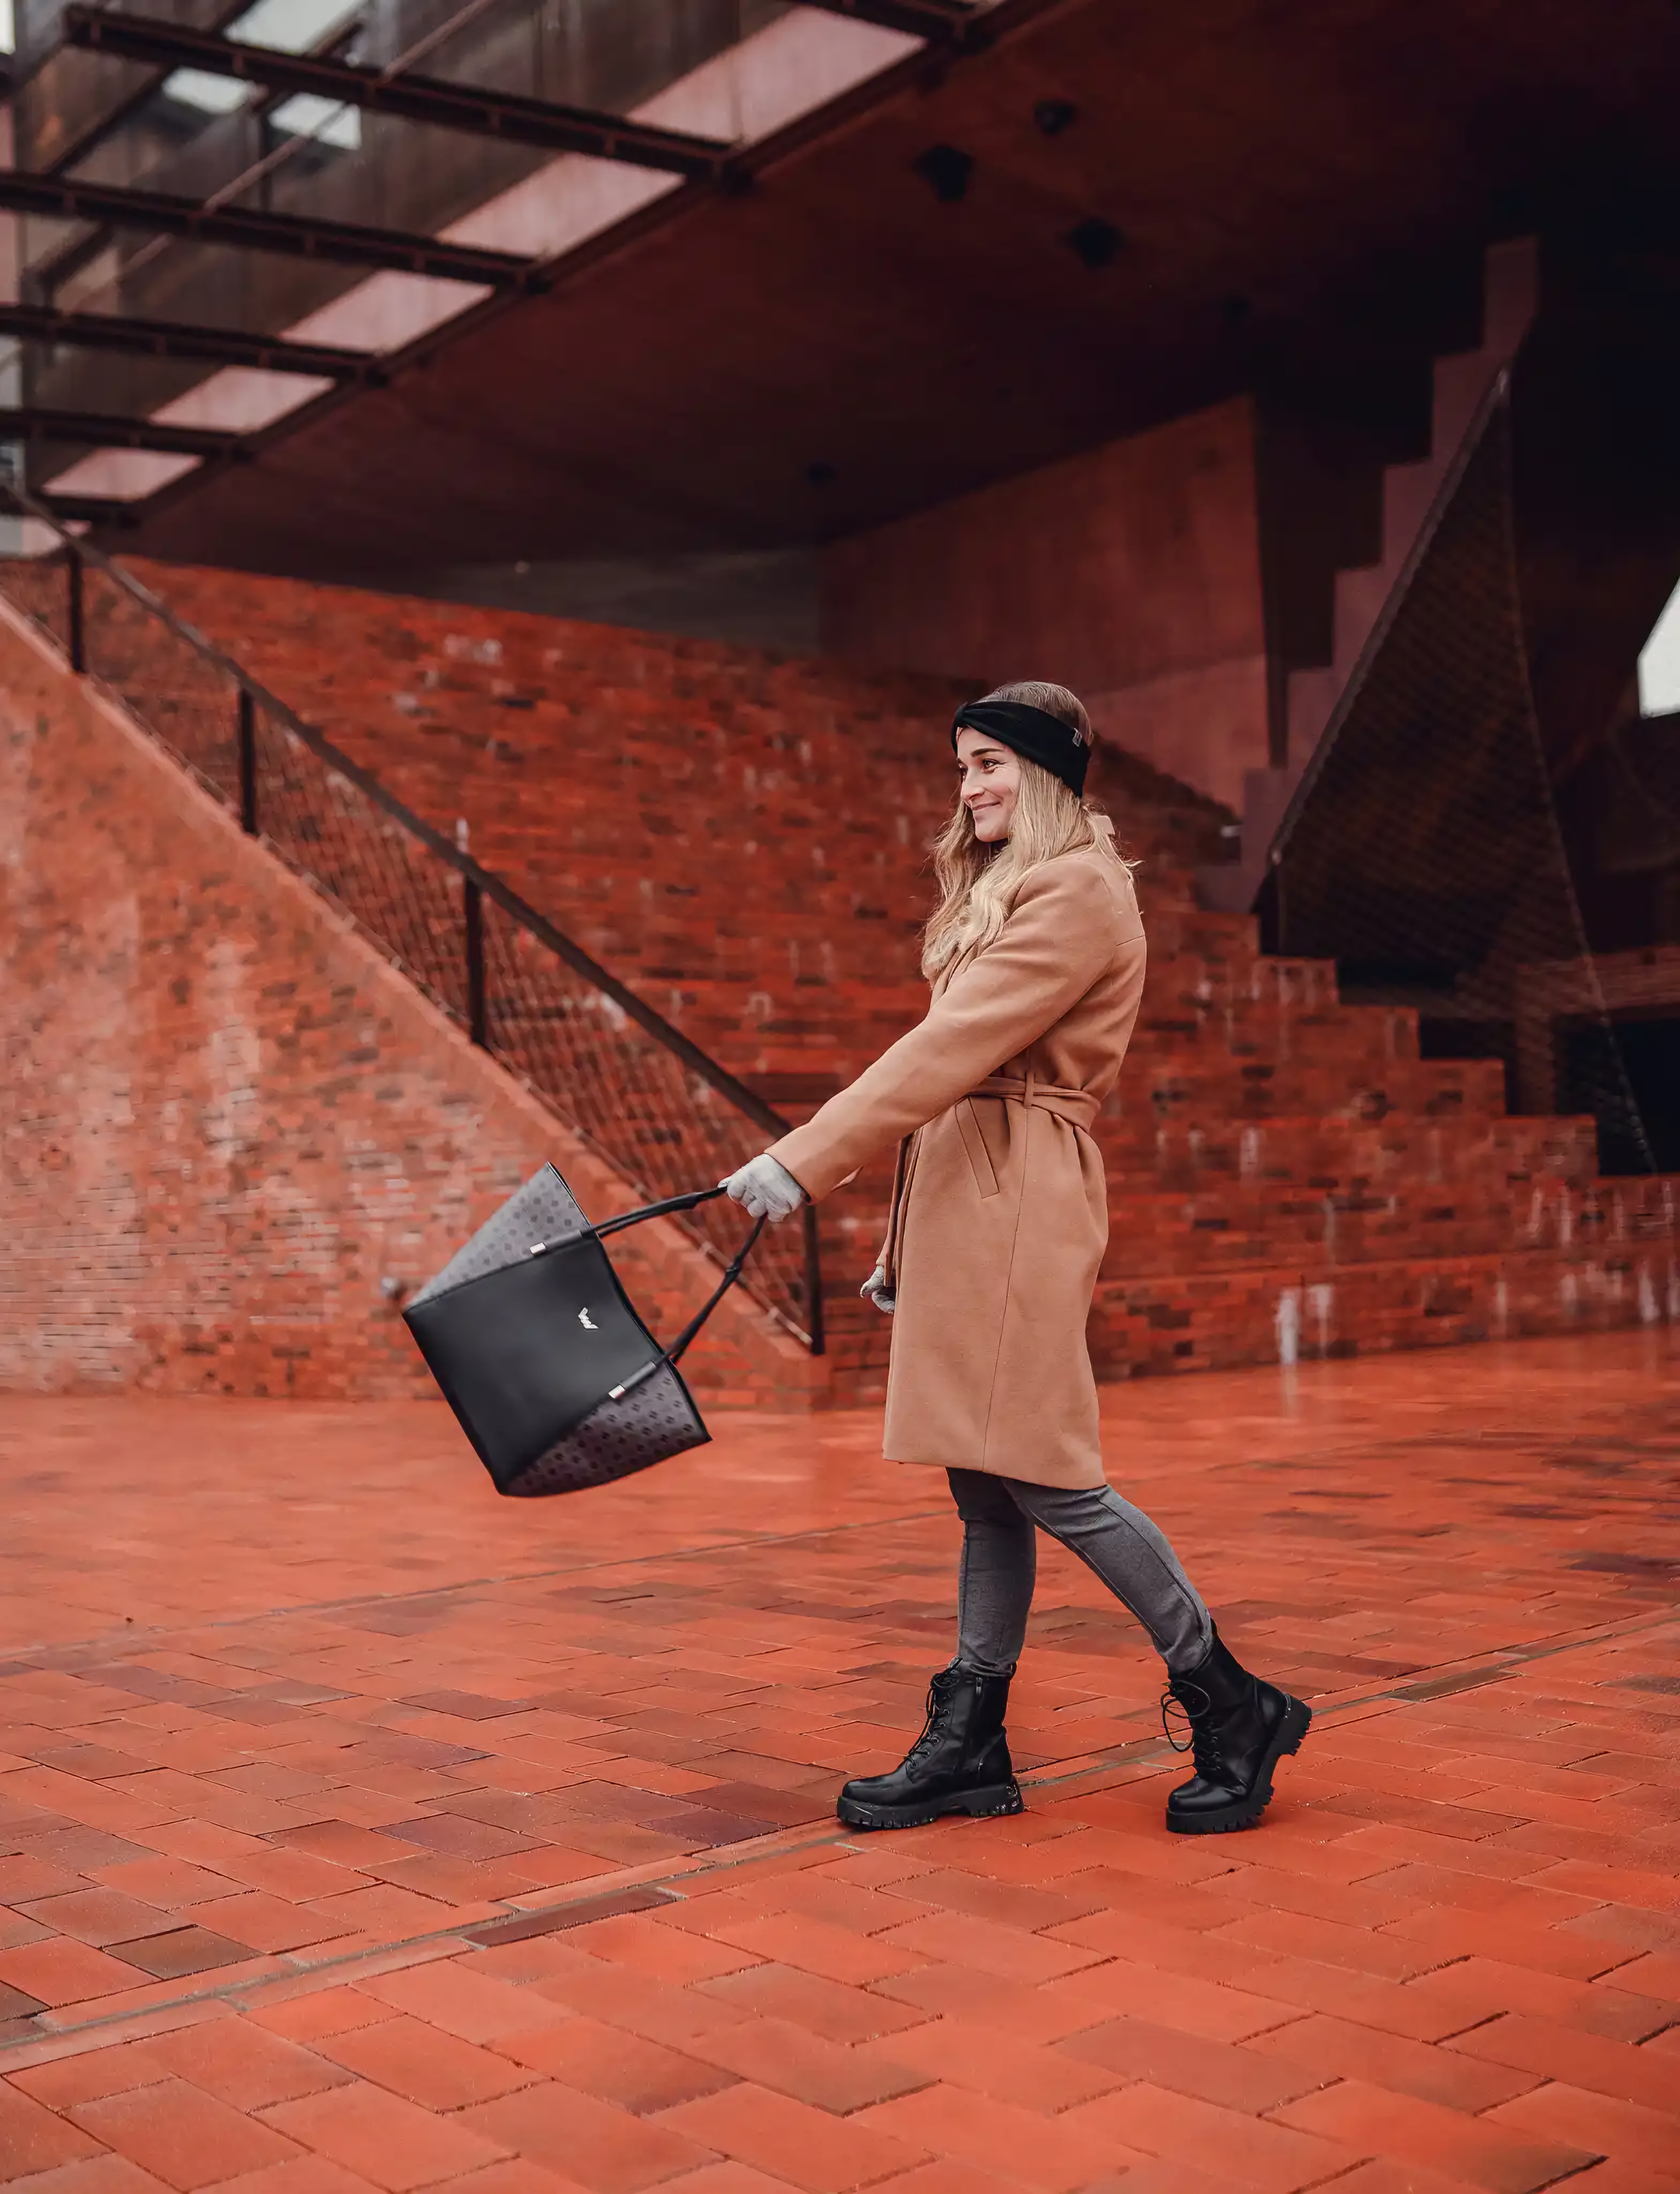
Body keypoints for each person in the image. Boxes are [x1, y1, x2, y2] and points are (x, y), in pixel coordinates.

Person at [721, 682, 1309, 1836]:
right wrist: (902, 1240)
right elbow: (959, 1074)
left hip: (1018, 1194)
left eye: (989, 762)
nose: (969, 787)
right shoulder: (1017, 882)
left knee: (1048, 1476)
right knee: (982, 1484)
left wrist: (804, 1159)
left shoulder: (1077, 887)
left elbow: (956, 1045)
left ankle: (1233, 1700)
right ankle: (971, 1741)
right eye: (961, 766)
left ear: (1045, 771)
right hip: (975, 1192)